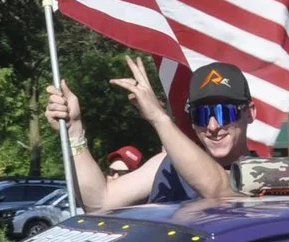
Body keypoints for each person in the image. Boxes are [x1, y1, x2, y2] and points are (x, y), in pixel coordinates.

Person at [45, 56, 246, 209]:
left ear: (250, 113)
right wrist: (74, 132)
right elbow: (99, 202)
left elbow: (219, 190)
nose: (212, 126)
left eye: (224, 113)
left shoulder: (270, 173)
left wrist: (158, 117)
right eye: (201, 115)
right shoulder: (167, 166)